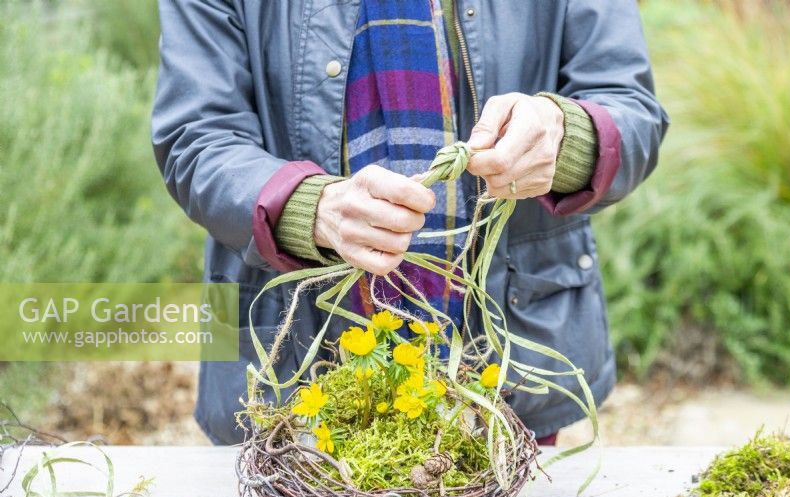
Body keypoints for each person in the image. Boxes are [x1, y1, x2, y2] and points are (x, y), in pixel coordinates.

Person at [152, 0, 668, 445]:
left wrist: (566, 138)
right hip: (290, 375)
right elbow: (196, 136)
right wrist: (309, 209)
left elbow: (631, 107)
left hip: (508, 368)